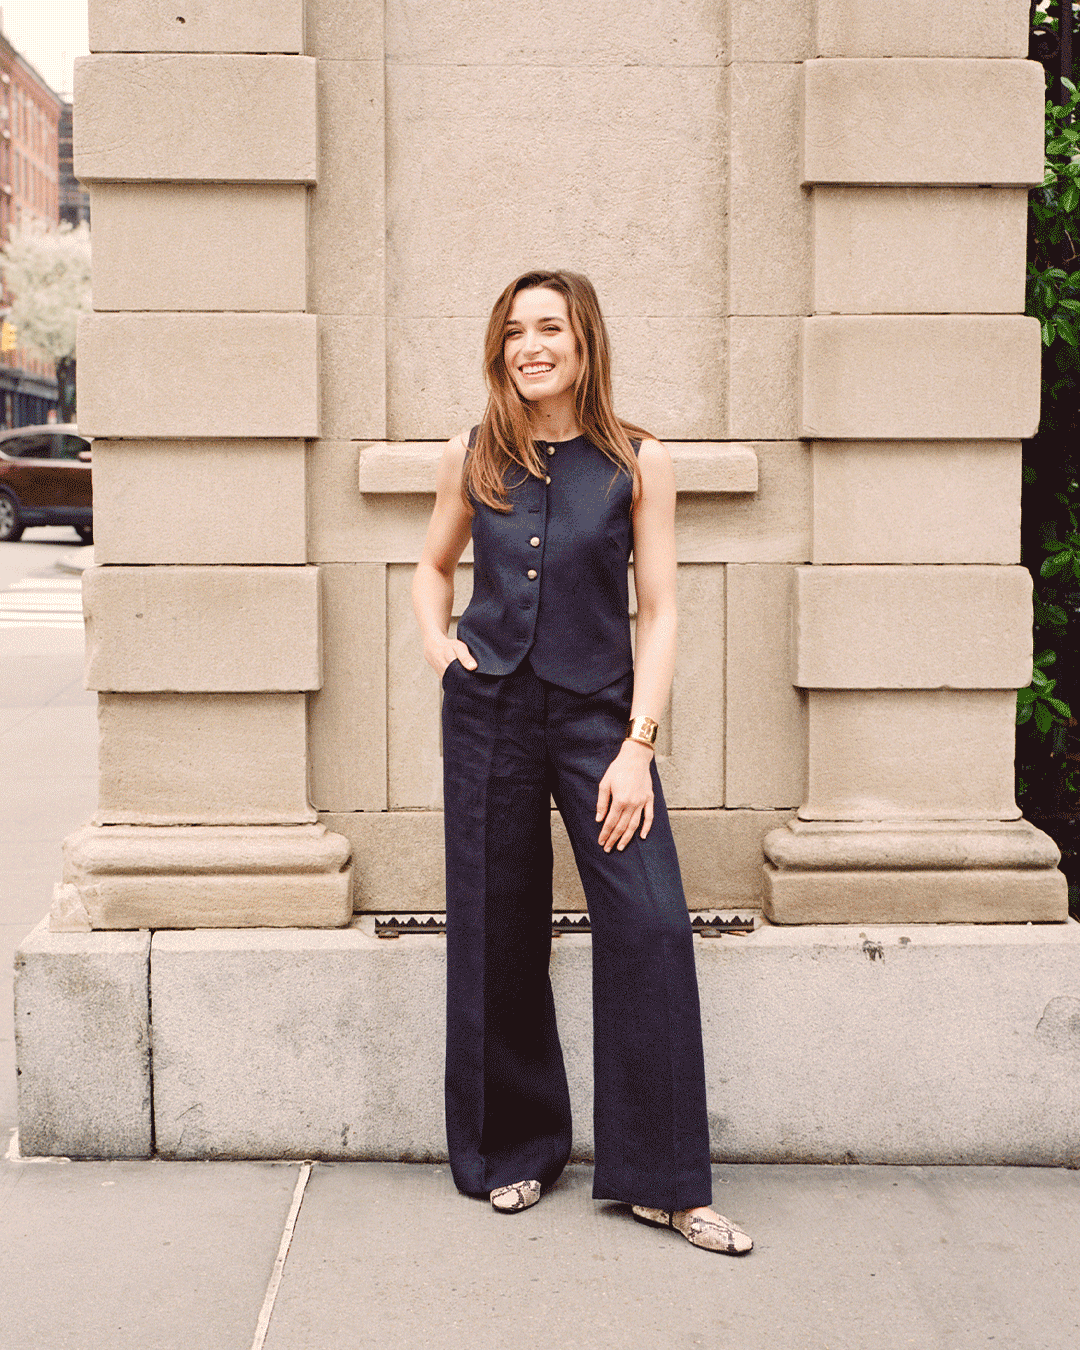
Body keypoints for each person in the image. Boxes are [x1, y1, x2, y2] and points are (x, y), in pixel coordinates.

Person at [411, 270, 752, 1255]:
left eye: (549, 327)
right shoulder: (472, 452)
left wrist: (638, 745)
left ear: (583, 341)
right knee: (496, 927)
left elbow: (662, 610)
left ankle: (664, 1183)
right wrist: (442, 650)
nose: (531, 345)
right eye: (514, 331)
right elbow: (431, 566)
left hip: (601, 719)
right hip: (490, 714)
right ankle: (513, 1150)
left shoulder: (639, 460)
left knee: (651, 926)